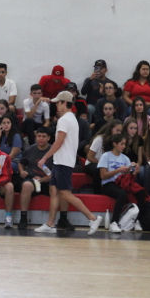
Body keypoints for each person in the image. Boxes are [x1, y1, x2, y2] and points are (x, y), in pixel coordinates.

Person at [35, 91, 103, 235]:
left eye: (58, 103)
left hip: (63, 162)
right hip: (63, 160)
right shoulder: (71, 118)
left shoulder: (64, 119)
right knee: (54, 191)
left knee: (65, 194)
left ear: (65, 103)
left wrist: (44, 157)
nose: (56, 106)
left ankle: (93, 217)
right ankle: (50, 224)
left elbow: (59, 142)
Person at [98, 134, 147, 233]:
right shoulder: (106, 156)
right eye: (122, 144)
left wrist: (134, 171)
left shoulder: (125, 158)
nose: (124, 146)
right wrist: (118, 170)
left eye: (125, 144)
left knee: (141, 192)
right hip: (109, 183)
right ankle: (114, 222)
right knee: (122, 194)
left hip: (122, 183)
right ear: (115, 144)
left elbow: (129, 176)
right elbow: (103, 175)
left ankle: (137, 221)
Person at [17, 127, 53, 229]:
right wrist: (22, 171)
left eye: (43, 136)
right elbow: (21, 163)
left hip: (47, 180)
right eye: (39, 136)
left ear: (48, 138)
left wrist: (43, 179)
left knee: (59, 188)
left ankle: (62, 218)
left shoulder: (53, 151)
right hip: (32, 179)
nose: (41, 138)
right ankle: (23, 218)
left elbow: (56, 172)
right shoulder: (29, 150)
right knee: (26, 185)